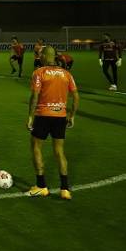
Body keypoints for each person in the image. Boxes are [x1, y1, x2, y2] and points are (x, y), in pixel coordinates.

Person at [26, 46, 79, 200]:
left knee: (36, 147)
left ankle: (41, 186)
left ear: (44, 56)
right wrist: (72, 115)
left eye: (40, 54)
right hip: (60, 116)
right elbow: (76, 97)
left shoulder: (39, 72)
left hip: (43, 115)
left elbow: (35, 97)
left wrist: (30, 116)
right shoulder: (66, 74)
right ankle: (64, 189)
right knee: (59, 151)